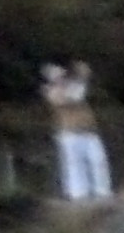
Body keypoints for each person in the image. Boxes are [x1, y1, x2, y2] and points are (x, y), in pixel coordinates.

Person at [40, 61, 113, 202]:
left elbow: (82, 84)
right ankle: (79, 194)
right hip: (69, 133)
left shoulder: (74, 85)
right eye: (54, 73)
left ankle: (103, 191)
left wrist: (82, 75)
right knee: (74, 165)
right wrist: (77, 82)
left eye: (59, 71)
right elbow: (68, 99)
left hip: (89, 130)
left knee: (98, 161)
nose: (59, 74)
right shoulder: (50, 91)